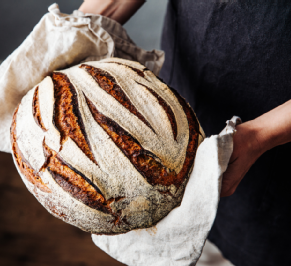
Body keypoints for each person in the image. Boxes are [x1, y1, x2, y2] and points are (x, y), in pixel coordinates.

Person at [79, 1, 291, 265]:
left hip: (280, 142)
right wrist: (80, 28)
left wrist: (260, 135)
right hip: (188, 70)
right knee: (182, 240)